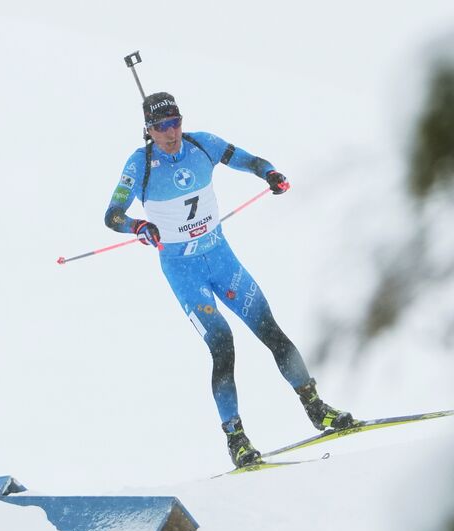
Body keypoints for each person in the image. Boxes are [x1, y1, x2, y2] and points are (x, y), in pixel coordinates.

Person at [104, 91, 352, 467]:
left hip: (221, 259)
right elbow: (112, 215)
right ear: (149, 130)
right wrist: (138, 226)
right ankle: (236, 440)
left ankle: (317, 408)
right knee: (223, 346)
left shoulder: (202, 144)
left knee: (271, 330)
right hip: (184, 271)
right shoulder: (141, 164)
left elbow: (250, 160)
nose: (171, 133)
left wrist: (270, 174)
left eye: (175, 123)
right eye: (161, 127)